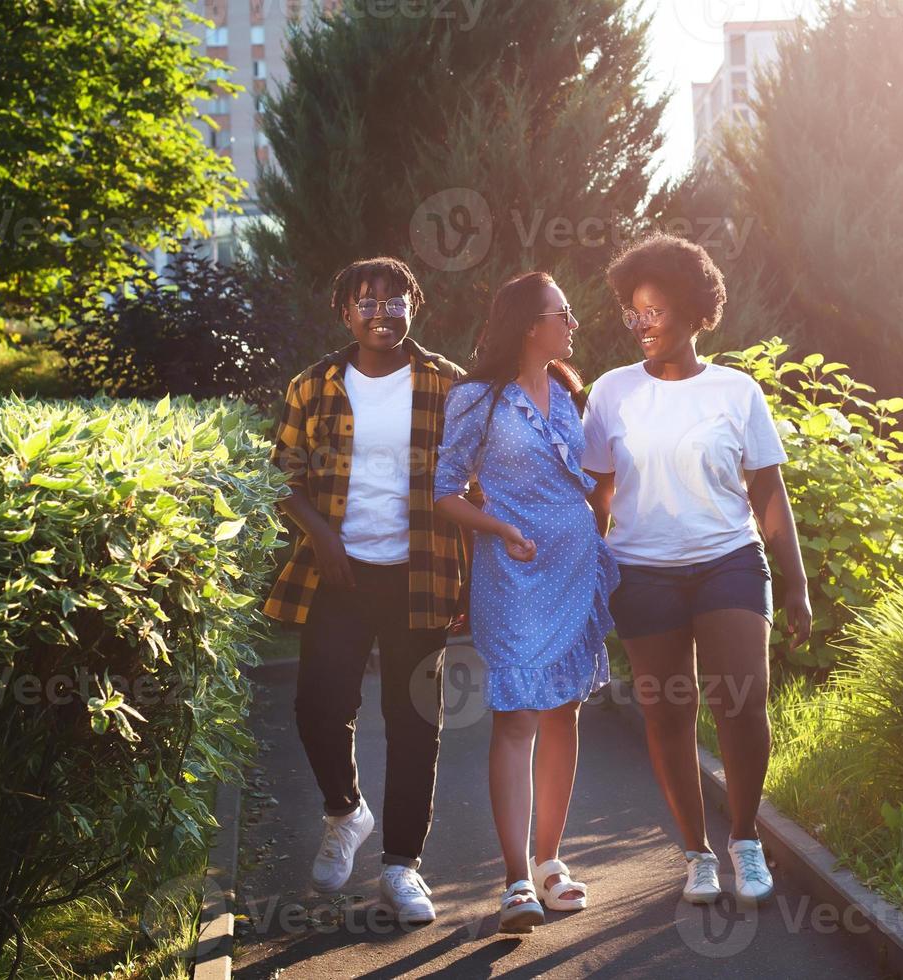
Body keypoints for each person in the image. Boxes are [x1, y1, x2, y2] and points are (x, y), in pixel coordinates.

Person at [580, 234, 811, 907]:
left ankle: (745, 838)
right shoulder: (611, 392)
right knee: (668, 715)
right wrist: (589, 583)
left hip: (729, 560)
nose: (641, 324)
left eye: (653, 310)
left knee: (741, 701)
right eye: (632, 312)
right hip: (642, 571)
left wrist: (794, 584)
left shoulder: (736, 391)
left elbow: (768, 492)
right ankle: (696, 853)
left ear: (691, 309)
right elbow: (599, 497)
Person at [263, 256, 467, 926]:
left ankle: (402, 866)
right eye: (365, 301)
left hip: (422, 573)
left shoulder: (448, 384)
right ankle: (345, 811)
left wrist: (476, 570)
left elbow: (470, 483)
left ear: (415, 305)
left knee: (416, 723)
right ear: (345, 313)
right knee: (318, 706)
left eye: (394, 299)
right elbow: (283, 474)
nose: (382, 312)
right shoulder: (313, 385)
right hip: (339, 574)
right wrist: (320, 533)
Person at [433, 272, 619, 934]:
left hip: (574, 569)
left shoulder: (571, 393)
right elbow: (447, 491)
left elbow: (591, 480)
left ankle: (549, 862)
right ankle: (514, 880)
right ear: (528, 323)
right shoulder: (475, 399)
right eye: (562, 312)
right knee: (515, 718)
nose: (573, 323)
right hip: (511, 575)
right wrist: (500, 529)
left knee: (564, 712)